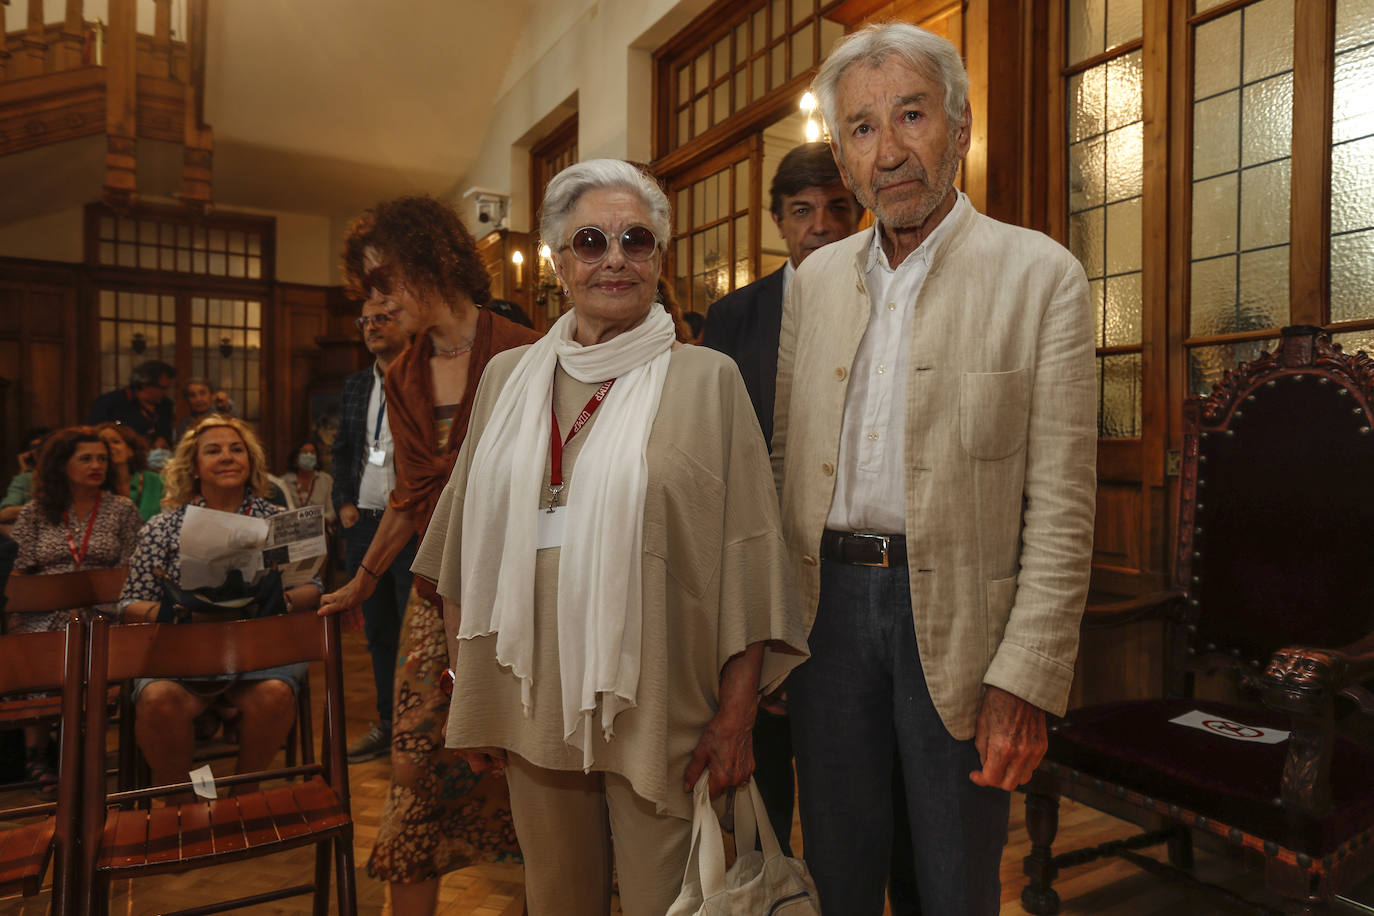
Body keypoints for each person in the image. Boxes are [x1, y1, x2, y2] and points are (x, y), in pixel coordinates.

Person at [414, 159, 808, 916]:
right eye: (591, 240)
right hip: (530, 692)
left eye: (637, 240)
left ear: (659, 259)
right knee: (558, 897)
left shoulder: (708, 380)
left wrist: (736, 716)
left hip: (662, 700)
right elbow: (464, 541)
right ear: (559, 262)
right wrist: (468, 688)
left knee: (675, 900)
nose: (615, 258)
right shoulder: (506, 378)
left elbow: (751, 559)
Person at [771, 23, 1097, 914]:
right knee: (837, 867)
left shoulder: (1042, 277)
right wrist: (767, 629)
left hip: (959, 618)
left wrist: (1023, 678)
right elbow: (785, 464)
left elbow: (1064, 510)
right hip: (825, 619)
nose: (892, 149)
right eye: (864, 129)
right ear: (843, 159)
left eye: (911, 114)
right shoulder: (814, 280)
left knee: (955, 880)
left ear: (959, 127)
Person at [317, 194, 540, 916]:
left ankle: (550, 884)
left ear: (430, 263)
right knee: (413, 760)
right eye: (367, 291)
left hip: (517, 592)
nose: (376, 306)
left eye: (384, 285)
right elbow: (413, 493)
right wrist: (363, 578)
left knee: (526, 760)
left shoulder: (522, 348)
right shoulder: (401, 371)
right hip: (434, 587)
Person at [700, 139, 863, 861]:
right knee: (759, 776)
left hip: (851, 573)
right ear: (778, 220)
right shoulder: (734, 316)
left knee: (845, 785)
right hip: (757, 569)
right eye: (802, 211)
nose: (821, 225)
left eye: (837, 208)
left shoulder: (884, 300)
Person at [117, 416, 323, 788]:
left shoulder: (280, 520)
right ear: (194, 468)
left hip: (260, 652)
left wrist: (283, 600)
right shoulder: (164, 527)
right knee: (157, 698)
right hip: (184, 654)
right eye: (213, 451)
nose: (227, 457)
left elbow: (313, 585)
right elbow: (130, 602)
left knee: (274, 695)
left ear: (251, 461)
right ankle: (192, 798)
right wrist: (173, 612)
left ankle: (244, 793)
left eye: (236, 449)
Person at [8, 426, 143, 791]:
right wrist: (48, 597)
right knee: (41, 643)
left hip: (103, 612)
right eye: (85, 458)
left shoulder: (122, 509)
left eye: (102, 458)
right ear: (61, 465)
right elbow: (16, 571)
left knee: (90, 636)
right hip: (43, 615)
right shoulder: (37, 512)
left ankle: (82, 746)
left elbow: (134, 568)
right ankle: (37, 751)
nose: (96, 465)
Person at [330, 297, 417, 764]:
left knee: (415, 629)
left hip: (414, 523)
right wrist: (342, 502)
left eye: (383, 318)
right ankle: (388, 724)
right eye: (365, 320)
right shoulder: (357, 384)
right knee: (378, 631)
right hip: (364, 520)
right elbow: (343, 449)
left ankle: (417, 726)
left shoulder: (425, 378)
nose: (371, 327)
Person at [89, 359, 176, 444]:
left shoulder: (166, 404)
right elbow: (95, 434)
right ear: (144, 385)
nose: (167, 393)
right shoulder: (109, 402)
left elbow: (167, 435)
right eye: (163, 388)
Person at [95, 422, 164, 522]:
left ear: (130, 450)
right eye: (103, 443)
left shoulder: (158, 482)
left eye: (115, 442)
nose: (109, 447)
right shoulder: (94, 487)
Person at [0, 426, 51, 530]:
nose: (38, 451)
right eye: (34, 448)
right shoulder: (25, 479)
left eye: (42, 447)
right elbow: (4, 514)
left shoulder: (73, 477)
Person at [280, 440, 336, 526]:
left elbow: (332, 511)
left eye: (312, 452)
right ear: (296, 458)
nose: (309, 455)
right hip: (293, 528)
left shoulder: (326, 480)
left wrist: (322, 520)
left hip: (320, 527)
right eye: (304, 452)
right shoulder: (284, 482)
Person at [174, 377, 216, 441]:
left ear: (212, 395)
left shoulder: (222, 419)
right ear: (187, 400)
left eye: (202, 393)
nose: (198, 399)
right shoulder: (184, 426)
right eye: (192, 395)